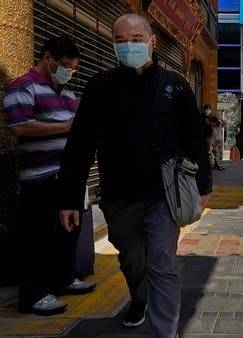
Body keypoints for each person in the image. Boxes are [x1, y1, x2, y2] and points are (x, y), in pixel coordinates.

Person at [58, 14, 211, 338]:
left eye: (137, 40)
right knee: (130, 258)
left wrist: (202, 185)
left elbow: (194, 136)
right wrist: (69, 198)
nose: (129, 47)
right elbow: (80, 144)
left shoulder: (175, 85)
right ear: (113, 45)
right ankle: (139, 298)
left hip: (163, 195)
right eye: (121, 41)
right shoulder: (101, 87)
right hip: (118, 196)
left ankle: (165, 333)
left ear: (152, 42)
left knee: (162, 262)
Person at [3, 36, 96, 316]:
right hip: (40, 177)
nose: (69, 72)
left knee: (67, 232)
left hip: (68, 176)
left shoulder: (67, 94)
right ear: (47, 58)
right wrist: (66, 126)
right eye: (65, 65)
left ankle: (64, 279)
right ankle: (33, 295)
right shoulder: (23, 87)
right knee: (38, 236)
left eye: (74, 68)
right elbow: (20, 127)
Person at [206, 105, 226, 171]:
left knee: (214, 153)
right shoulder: (219, 125)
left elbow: (225, 123)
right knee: (216, 154)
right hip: (218, 140)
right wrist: (220, 119)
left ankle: (214, 165)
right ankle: (217, 165)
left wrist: (218, 118)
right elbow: (225, 123)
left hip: (214, 140)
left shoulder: (213, 125)